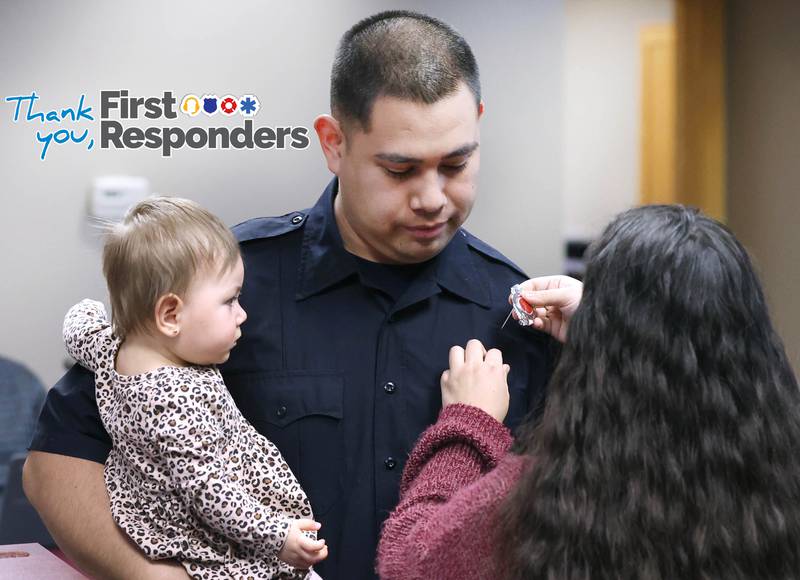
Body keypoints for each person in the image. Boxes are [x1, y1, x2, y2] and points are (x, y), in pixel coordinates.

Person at [23, 11, 556, 580]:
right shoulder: (222, 285)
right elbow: (56, 464)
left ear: (477, 124)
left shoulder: (519, 314)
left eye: (456, 163)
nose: (431, 198)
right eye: (399, 169)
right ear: (334, 143)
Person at [377, 204, 800, 580]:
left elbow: (409, 563)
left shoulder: (549, 495)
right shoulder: (779, 481)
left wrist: (467, 426)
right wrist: (611, 333)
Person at [60, 197, 326, 579]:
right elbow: (209, 492)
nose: (243, 314)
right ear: (171, 315)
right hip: (221, 546)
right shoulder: (171, 403)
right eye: (230, 300)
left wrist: (99, 310)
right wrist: (277, 536)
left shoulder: (109, 347)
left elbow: (77, 326)